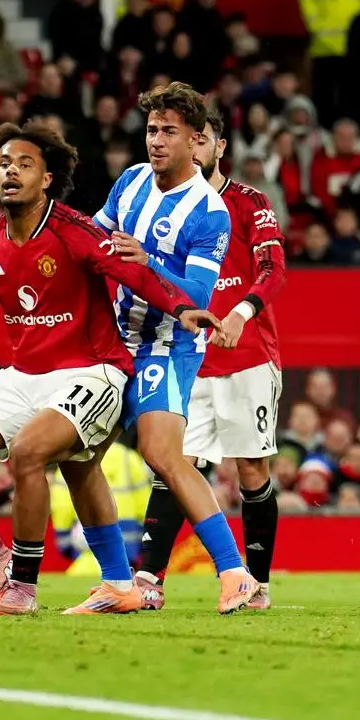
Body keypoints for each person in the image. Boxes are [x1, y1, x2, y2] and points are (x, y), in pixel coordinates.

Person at [0, 120, 221, 616]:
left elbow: (131, 271)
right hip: (25, 375)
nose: (11, 171)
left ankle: (24, 588)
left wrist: (183, 307)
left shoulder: (75, 232)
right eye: (4, 164)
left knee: (32, 452)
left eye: (24, 164)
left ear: (47, 178)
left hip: (93, 371)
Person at [93, 82, 258, 614]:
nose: (156, 141)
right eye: (151, 130)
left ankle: (236, 575)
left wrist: (146, 261)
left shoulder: (211, 213)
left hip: (169, 344)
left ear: (196, 141)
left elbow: (197, 298)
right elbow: (96, 239)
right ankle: (118, 585)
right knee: (76, 451)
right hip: (117, 342)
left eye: (169, 132)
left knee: (164, 456)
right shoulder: (130, 181)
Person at [134, 109, 287, 610]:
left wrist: (242, 312)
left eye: (203, 139)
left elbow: (274, 270)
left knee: (251, 470)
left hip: (245, 358)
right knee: (173, 464)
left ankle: (255, 583)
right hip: (186, 353)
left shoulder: (248, 203)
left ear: (218, 147)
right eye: (187, 138)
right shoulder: (159, 202)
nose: (193, 147)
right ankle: (147, 581)